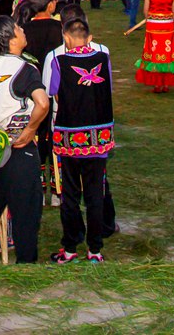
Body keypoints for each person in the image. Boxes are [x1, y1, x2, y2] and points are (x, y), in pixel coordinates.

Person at [0, 16, 50, 264]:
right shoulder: (24, 68)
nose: (23, 30)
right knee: (26, 214)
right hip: (17, 148)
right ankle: (25, 265)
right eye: (18, 28)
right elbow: (43, 102)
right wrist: (31, 128)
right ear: (11, 38)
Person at [44, 16, 113, 263]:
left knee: (70, 195)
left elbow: (53, 92)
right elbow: (108, 90)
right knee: (95, 194)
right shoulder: (103, 59)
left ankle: (70, 247)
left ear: (66, 37)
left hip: (70, 137)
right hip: (99, 136)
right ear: (89, 38)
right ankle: (95, 250)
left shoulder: (60, 61)